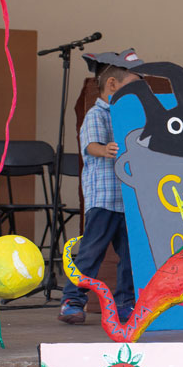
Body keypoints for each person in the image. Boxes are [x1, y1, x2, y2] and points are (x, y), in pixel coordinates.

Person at [58, 63, 141, 324]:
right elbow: (91, 145)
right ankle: (72, 300)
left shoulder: (130, 116)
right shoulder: (97, 114)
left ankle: (126, 302)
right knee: (91, 252)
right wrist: (104, 149)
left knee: (129, 255)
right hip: (104, 199)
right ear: (112, 85)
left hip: (126, 200)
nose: (137, 93)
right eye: (133, 86)